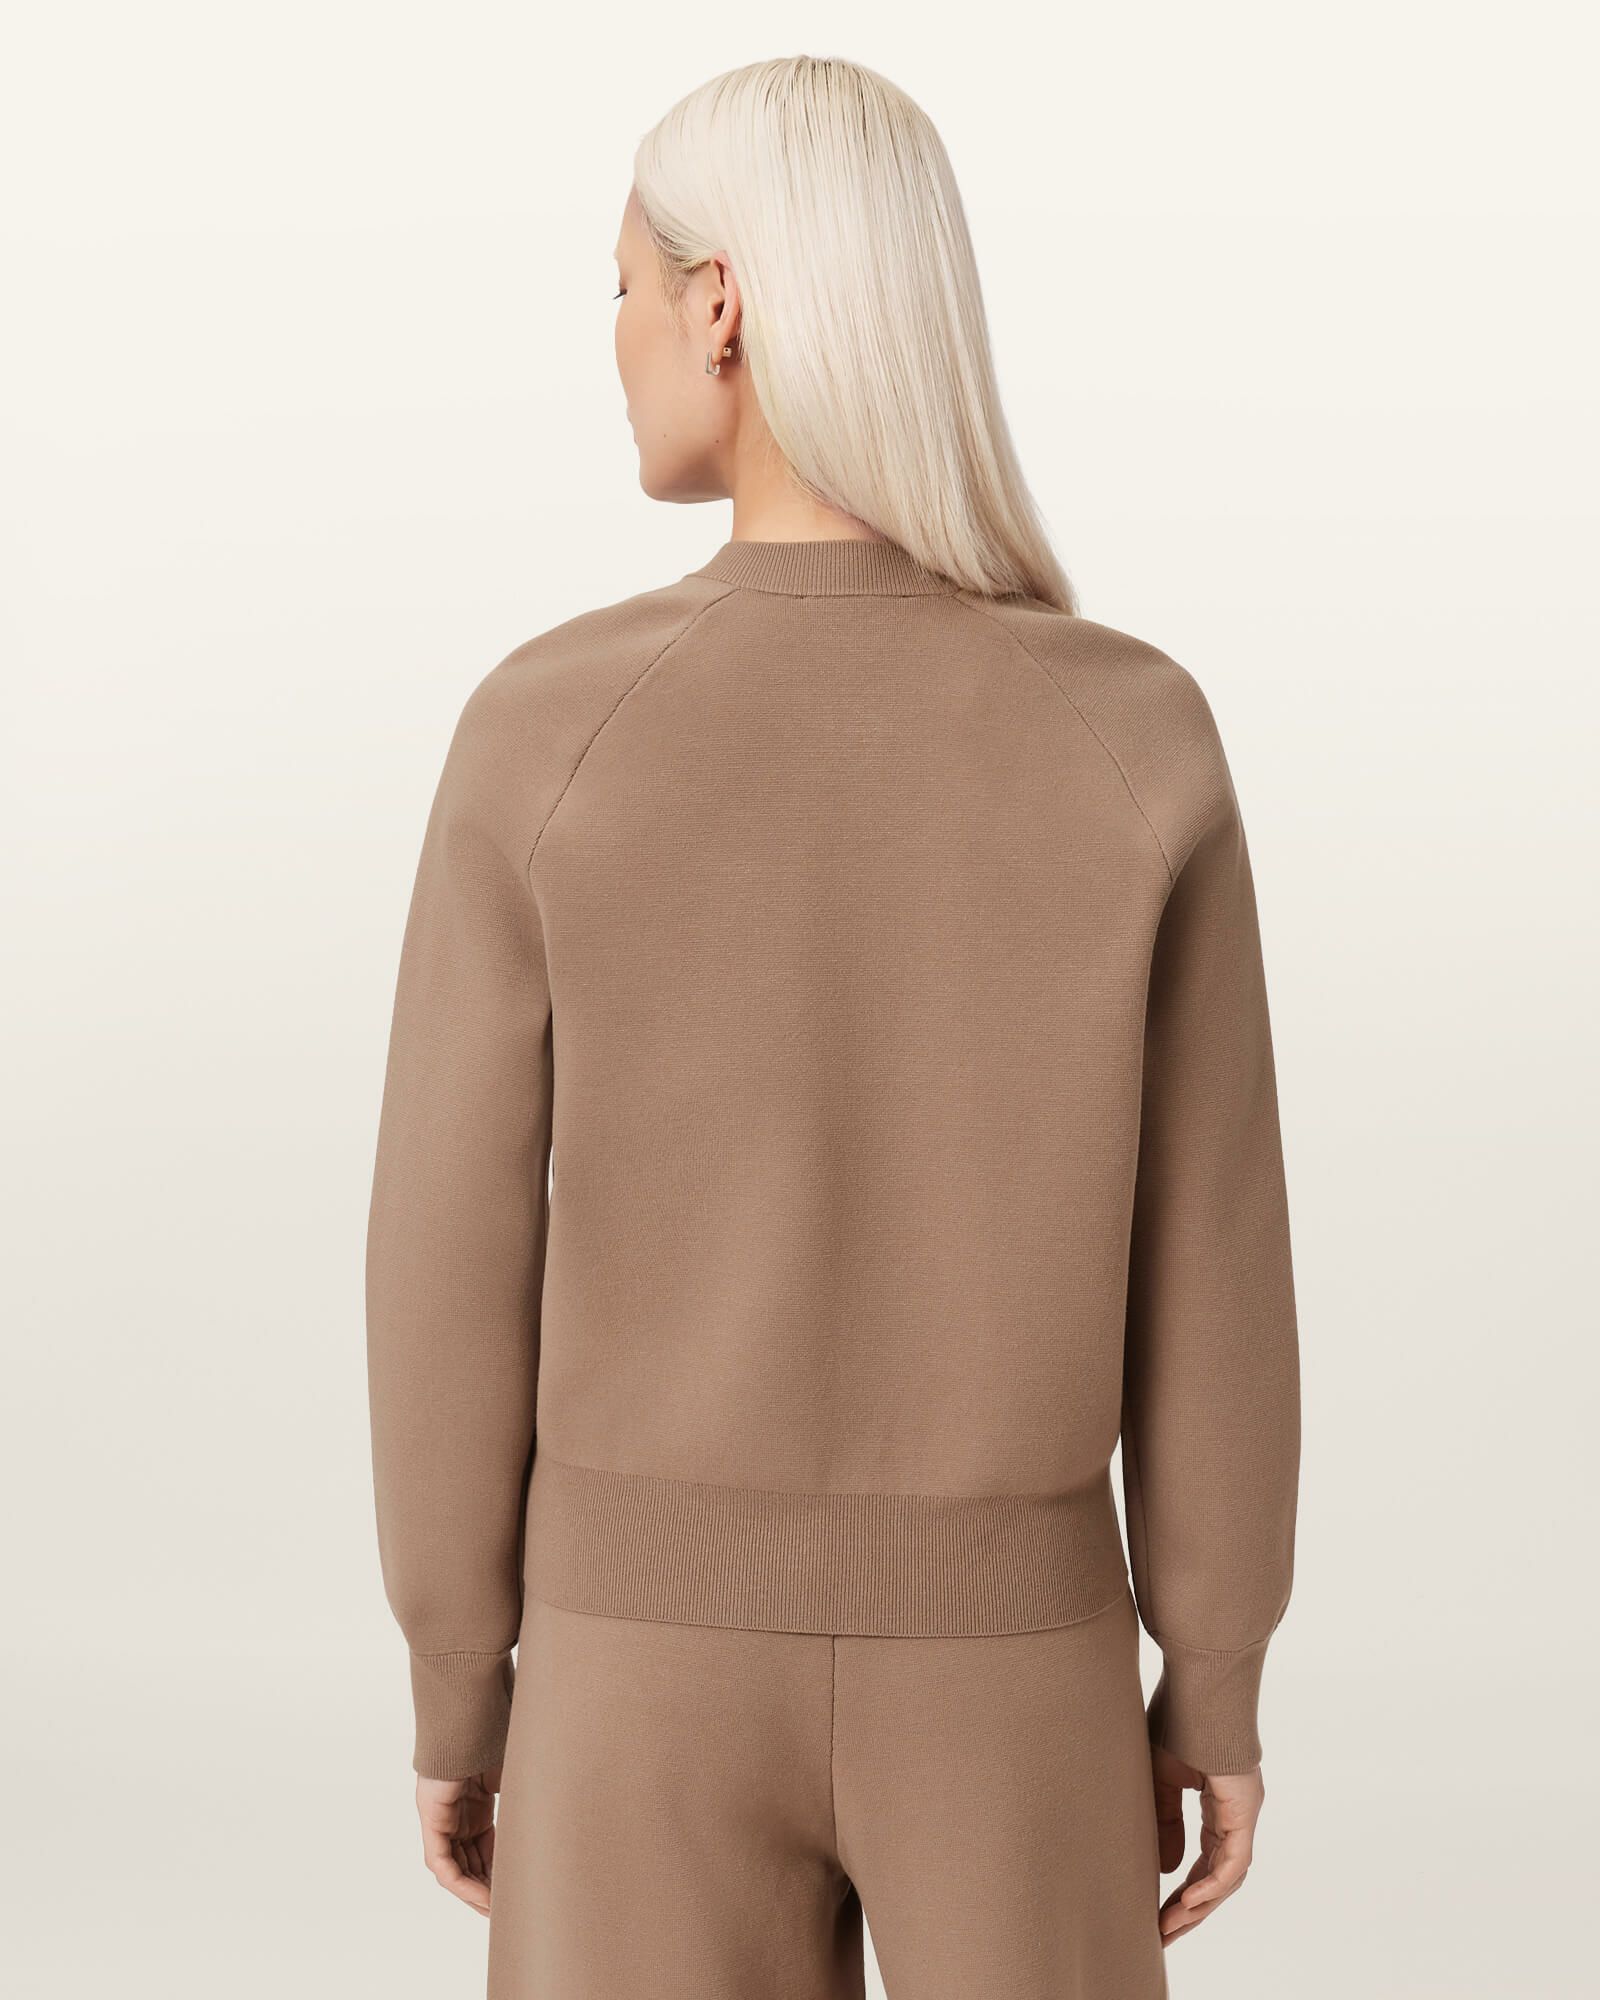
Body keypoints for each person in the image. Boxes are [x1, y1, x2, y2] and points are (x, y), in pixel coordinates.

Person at [365, 53, 1301, 2000]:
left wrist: (461, 1675)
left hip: (632, 1680)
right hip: (1018, 1676)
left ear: (718, 306)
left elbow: (447, 1256)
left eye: (622, 286)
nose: (614, 335)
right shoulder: (1133, 735)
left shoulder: (546, 732)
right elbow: (1212, 1262)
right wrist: (1210, 1674)